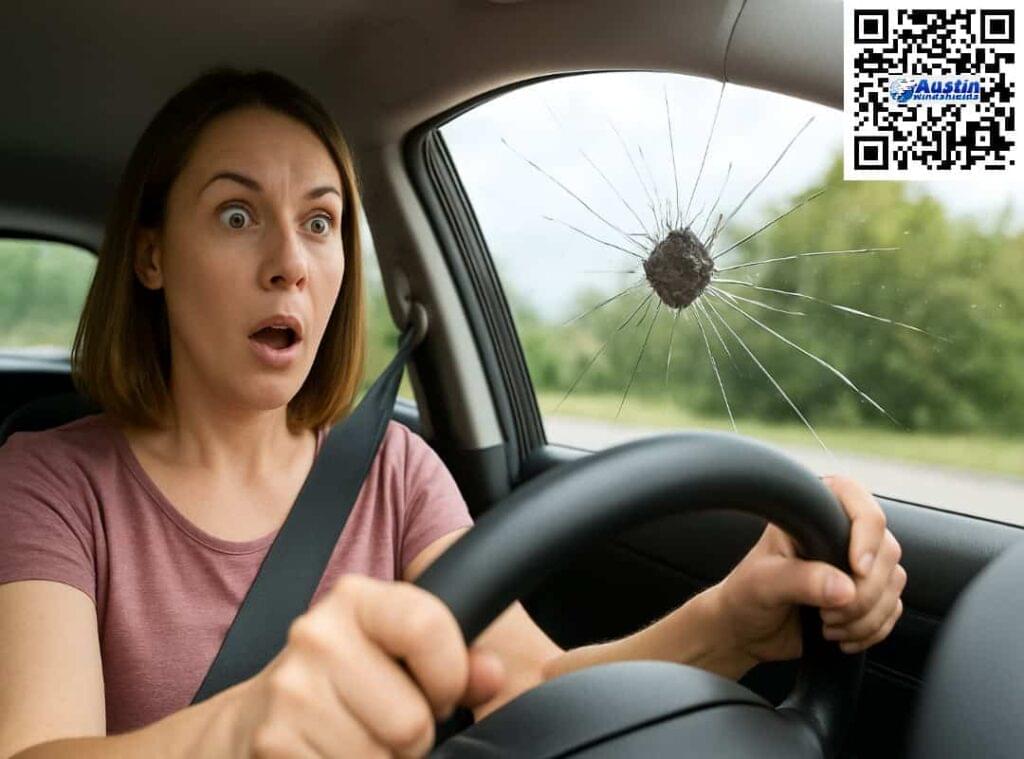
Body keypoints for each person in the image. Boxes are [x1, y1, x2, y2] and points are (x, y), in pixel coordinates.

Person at [0, 68, 906, 758]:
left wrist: (730, 622)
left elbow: (532, 684)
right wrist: (235, 732)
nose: (290, 263)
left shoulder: (393, 472)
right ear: (151, 256)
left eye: (319, 222)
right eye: (237, 216)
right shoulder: (49, 482)